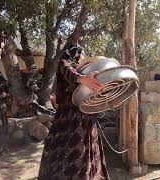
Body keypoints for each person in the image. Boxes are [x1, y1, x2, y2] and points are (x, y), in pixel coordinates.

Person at [37, 45, 110, 180]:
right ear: (73, 55)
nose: (83, 57)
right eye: (81, 54)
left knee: (87, 153)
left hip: (86, 119)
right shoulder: (65, 66)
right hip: (69, 120)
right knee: (72, 152)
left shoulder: (86, 74)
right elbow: (65, 68)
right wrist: (82, 79)